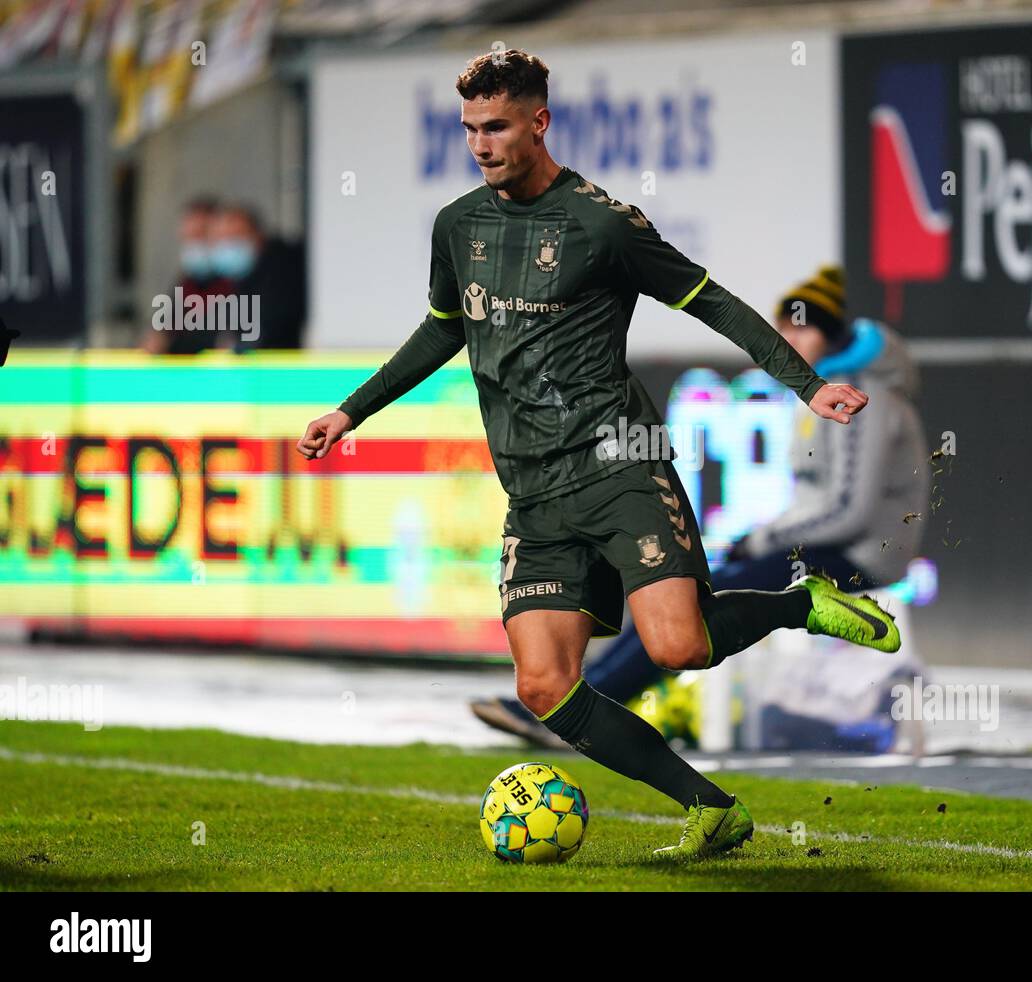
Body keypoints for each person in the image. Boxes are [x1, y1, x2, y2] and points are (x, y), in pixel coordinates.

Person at [296, 50, 900, 861]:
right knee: (543, 685)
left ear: (539, 122)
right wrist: (351, 410)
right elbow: (446, 326)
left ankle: (802, 602)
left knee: (678, 647)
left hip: (619, 466)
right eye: (470, 127)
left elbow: (710, 299)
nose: (480, 143)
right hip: (534, 492)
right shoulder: (458, 226)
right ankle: (711, 808)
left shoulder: (602, 224)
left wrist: (806, 384)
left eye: (497, 125)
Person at [469, 267, 929, 750]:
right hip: (828, 548)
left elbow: (848, 513)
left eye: (799, 327)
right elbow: (820, 504)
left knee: (699, 598)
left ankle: (579, 712)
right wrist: (764, 538)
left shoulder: (862, 397)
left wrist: (763, 539)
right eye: (784, 328)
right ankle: (577, 702)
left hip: (860, 558)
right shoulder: (831, 388)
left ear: (828, 332)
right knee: (680, 586)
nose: (788, 338)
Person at [209, 203, 306, 350]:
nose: (228, 246)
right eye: (222, 239)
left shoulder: (283, 267)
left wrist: (237, 345)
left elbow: (272, 326)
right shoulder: (239, 277)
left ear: (257, 235)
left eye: (236, 238)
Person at [143, 196, 230, 354]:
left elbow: (223, 341)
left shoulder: (238, 283)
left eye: (201, 234)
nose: (194, 244)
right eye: (188, 237)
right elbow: (158, 336)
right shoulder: (188, 282)